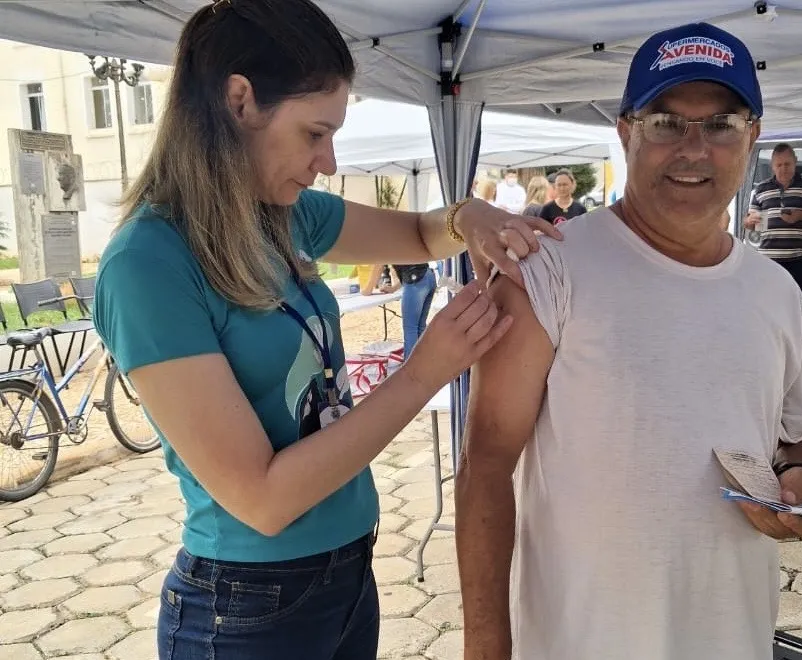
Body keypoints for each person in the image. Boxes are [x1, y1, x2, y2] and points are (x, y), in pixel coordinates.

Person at [90, 2, 561, 659]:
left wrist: (468, 215)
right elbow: (263, 499)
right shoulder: (148, 265)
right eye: (315, 132)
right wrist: (424, 371)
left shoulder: (282, 214)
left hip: (345, 576)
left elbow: (423, 232)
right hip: (247, 606)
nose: (327, 160)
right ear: (239, 101)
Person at [456, 22, 802, 660]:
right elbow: (486, 467)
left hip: (732, 637)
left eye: (720, 125)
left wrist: (801, 479)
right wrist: (486, 646)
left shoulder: (774, 290)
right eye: (666, 122)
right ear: (626, 132)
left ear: (754, 137)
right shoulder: (547, 270)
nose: (694, 149)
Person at [744, 143, 802, 303]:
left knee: (798, 305)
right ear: (772, 166)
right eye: (779, 165)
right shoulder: (761, 189)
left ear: (795, 161)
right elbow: (751, 224)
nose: (783, 168)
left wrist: (800, 215)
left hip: (800, 259)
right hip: (769, 260)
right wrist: (749, 222)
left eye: (787, 164)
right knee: (769, 304)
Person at [377, 262, 438, 358]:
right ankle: (423, 364)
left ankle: (411, 369)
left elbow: (379, 263)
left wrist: (366, 290)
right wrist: (394, 288)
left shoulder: (387, 247)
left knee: (411, 328)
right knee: (420, 326)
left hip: (415, 281)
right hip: (428, 276)